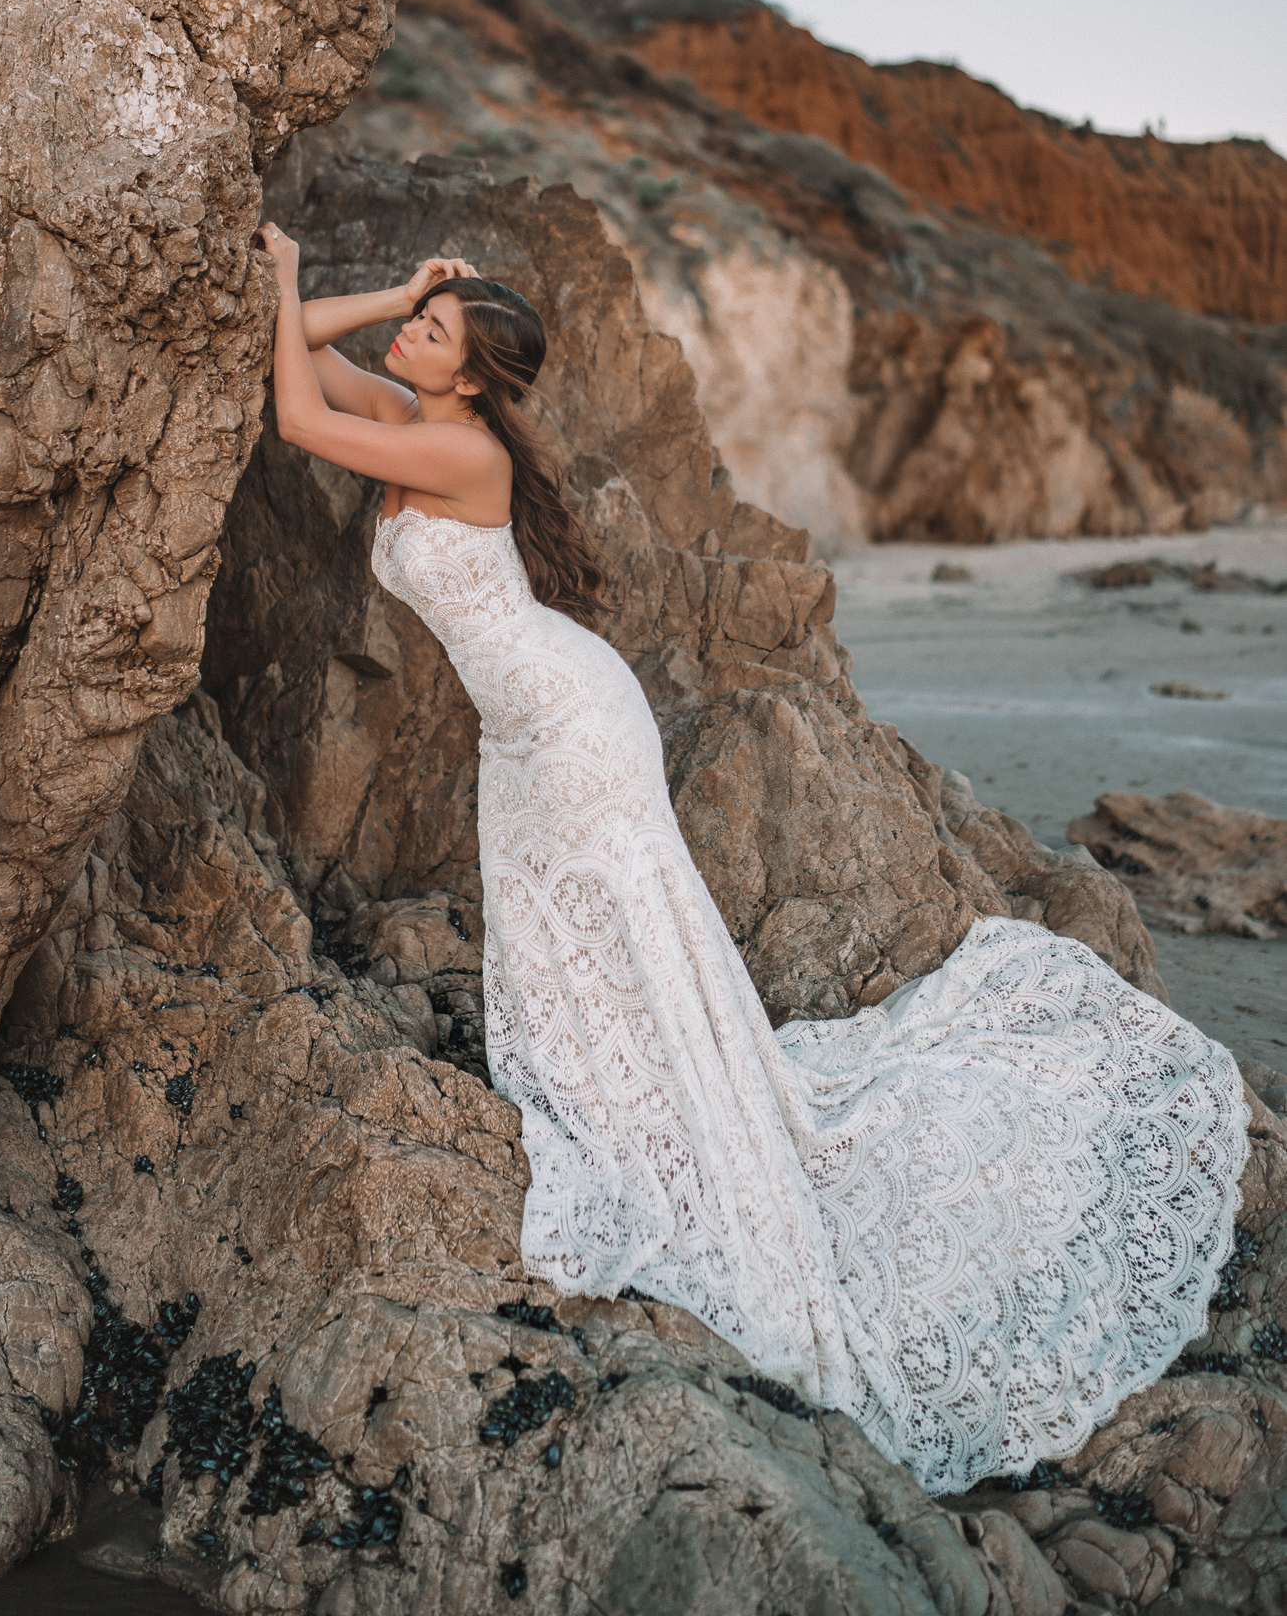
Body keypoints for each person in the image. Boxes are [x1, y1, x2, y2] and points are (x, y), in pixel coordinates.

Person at [258, 223, 1248, 1498]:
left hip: (573, 726)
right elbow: (306, 365)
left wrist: (290, 281)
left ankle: (671, 1125)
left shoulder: (453, 446)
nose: (405, 341)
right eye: (417, 329)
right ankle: (636, 1105)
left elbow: (291, 404)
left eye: (431, 336)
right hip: (530, 730)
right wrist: (398, 292)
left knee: (620, 932)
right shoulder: (420, 408)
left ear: (471, 380)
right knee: (571, 948)